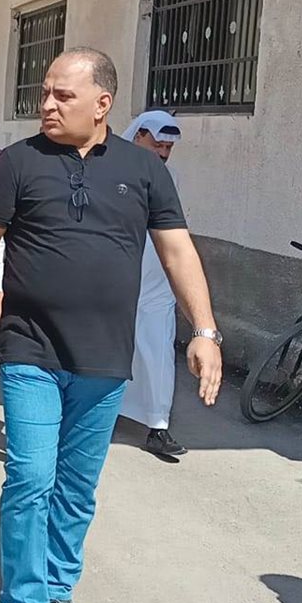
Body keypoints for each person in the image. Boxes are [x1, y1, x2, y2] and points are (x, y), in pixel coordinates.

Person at [0, 48, 223, 603]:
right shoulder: (18, 162)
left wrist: (204, 330)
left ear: (102, 103)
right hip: (30, 348)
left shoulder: (144, 170)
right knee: (30, 476)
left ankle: (56, 585)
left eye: (62, 95)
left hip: (104, 357)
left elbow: (177, 250)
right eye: (45, 93)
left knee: (75, 484)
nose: (47, 104)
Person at [119, 109, 188, 456]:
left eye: (168, 148)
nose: (162, 154)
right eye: (157, 145)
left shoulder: (168, 177)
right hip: (114, 278)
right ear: (138, 137)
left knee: (158, 349)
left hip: (156, 283)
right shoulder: (112, 169)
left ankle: (158, 425)